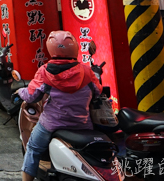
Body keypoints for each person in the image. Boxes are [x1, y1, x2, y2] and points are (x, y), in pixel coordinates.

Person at [17, 30, 101, 181]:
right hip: (82, 124)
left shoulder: (44, 71)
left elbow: (31, 95)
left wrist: (19, 91)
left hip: (51, 124)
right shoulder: (87, 71)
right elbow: (98, 91)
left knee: (33, 148)